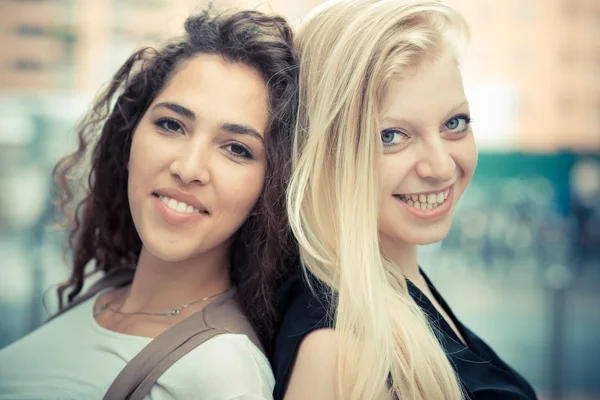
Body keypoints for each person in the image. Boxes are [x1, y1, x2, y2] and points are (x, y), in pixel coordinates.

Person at [0, 7, 298, 399]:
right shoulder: (101, 291)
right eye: (171, 124)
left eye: (237, 149)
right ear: (130, 133)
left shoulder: (223, 372)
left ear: (271, 186)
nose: (189, 168)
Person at [271, 0, 538, 399]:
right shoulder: (339, 351)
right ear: (324, 152)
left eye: (454, 123)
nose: (441, 166)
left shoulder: (393, 285)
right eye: (391, 136)